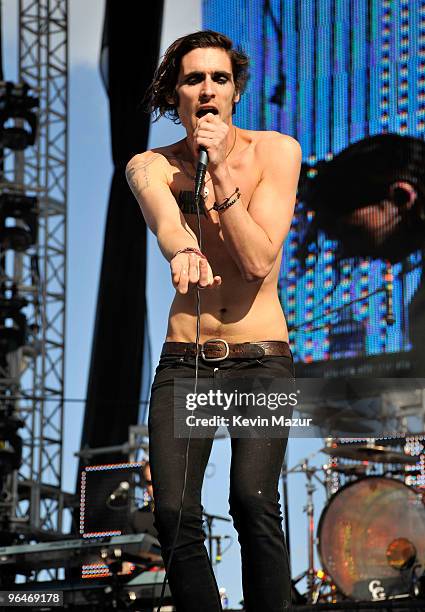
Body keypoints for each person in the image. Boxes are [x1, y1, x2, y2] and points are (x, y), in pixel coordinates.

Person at [126, 30, 301, 612]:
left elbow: (256, 261)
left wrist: (222, 169)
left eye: (218, 78)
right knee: (174, 512)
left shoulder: (277, 151)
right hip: (188, 362)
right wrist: (182, 249)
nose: (206, 89)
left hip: (261, 361)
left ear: (235, 91)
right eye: (193, 78)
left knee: (252, 500)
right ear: (174, 94)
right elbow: (164, 221)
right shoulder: (151, 165)